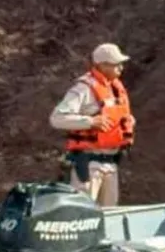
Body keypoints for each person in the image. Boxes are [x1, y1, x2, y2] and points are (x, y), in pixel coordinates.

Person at [49, 43, 135, 206]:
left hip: (111, 163)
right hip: (89, 164)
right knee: (83, 212)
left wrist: (128, 121)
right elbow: (57, 118)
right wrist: (90, 122)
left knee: (109, 214)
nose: (121, 68)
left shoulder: (115, 89)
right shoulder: (83, 89)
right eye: (116, 64)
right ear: (102, 65)